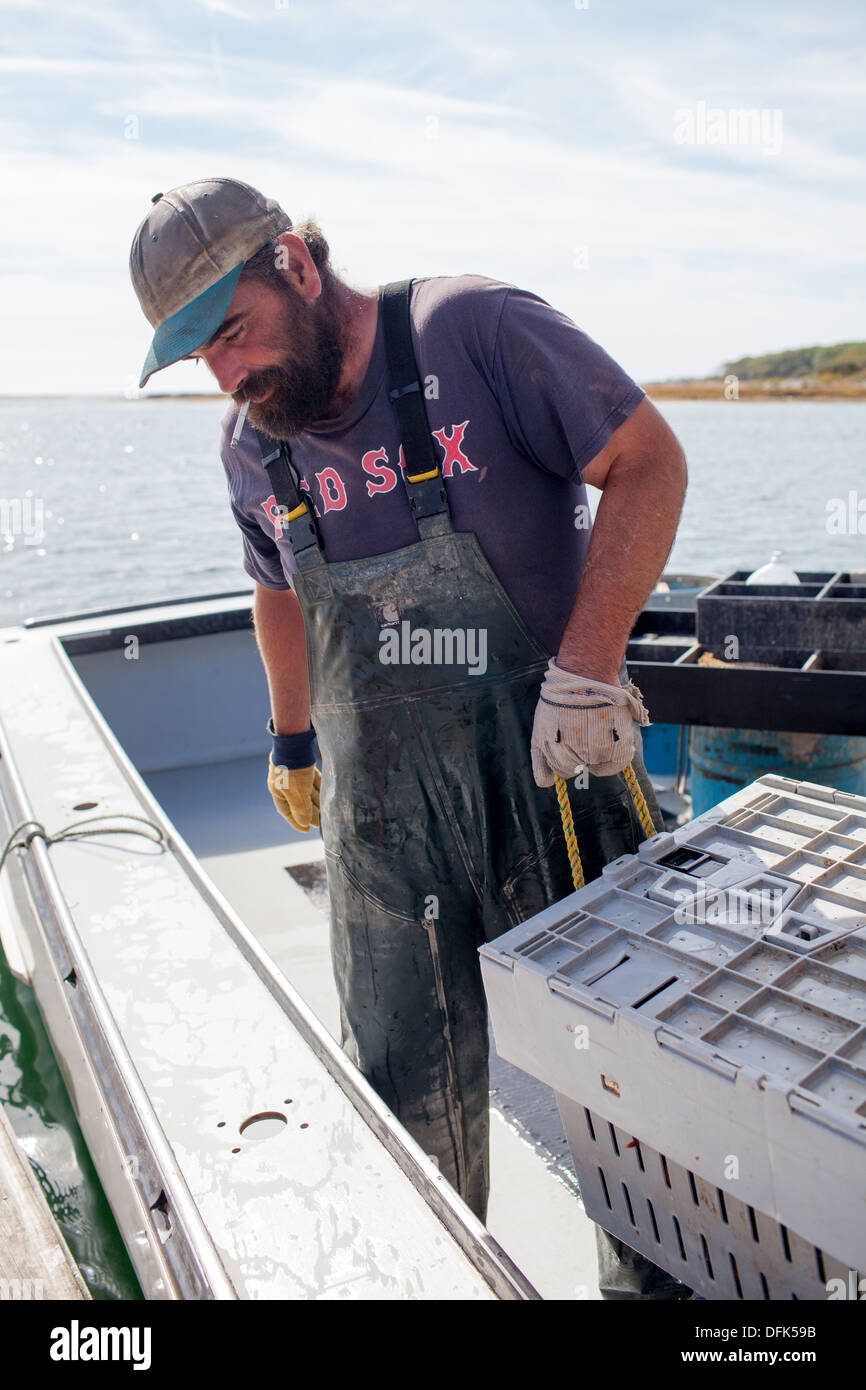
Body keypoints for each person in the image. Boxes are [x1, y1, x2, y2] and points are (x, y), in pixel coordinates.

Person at [129, 177, 691, 1299]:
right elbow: (277, 590)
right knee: (402, 1130)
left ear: (292, 261)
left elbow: (648, 465)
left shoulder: (471, 332)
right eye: (197, 356)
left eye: (230, 330)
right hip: (385, 838)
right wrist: (292, 740)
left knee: (635, 1136)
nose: (228, 376)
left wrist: (583, 675)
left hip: (552, 793)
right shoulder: (255, 448)